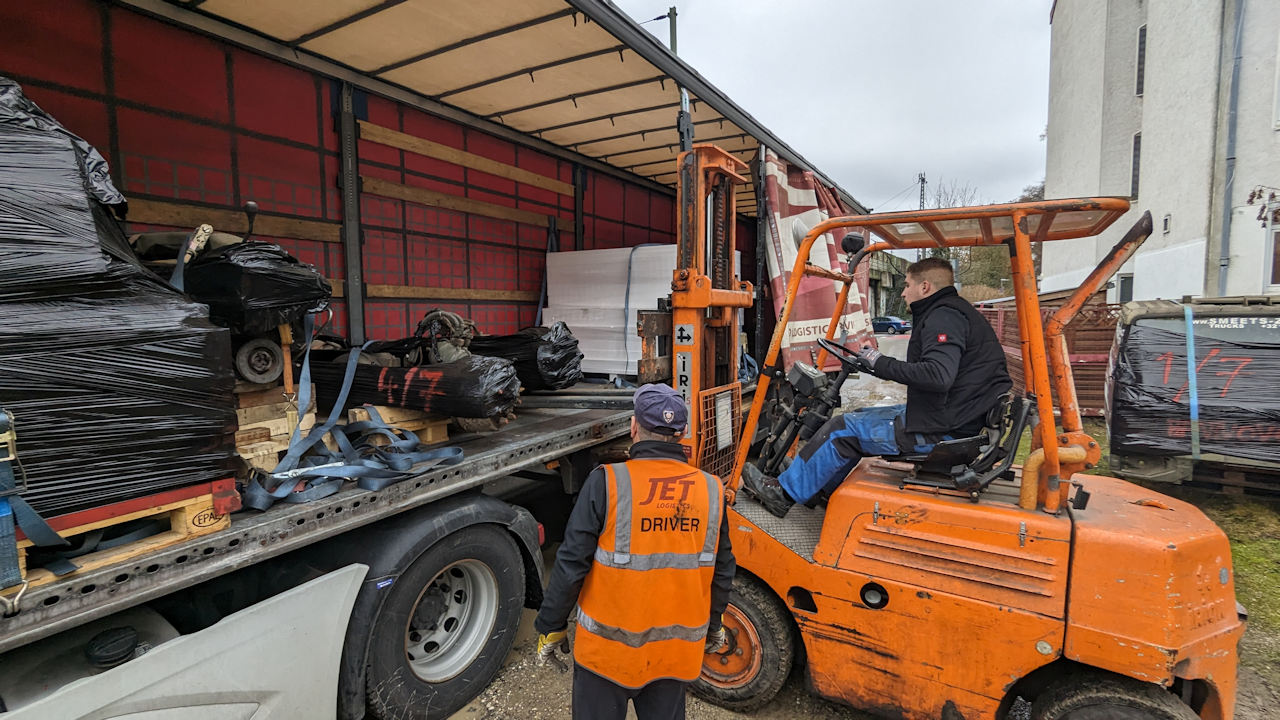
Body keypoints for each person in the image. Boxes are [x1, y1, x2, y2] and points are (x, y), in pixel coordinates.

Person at [742, 256, 1012, 517]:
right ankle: (816, 487)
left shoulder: (944, 317)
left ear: (925, 287)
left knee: (840, 428)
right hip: (950, 419)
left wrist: (880, 362)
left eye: (907, 285)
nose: (904, 293)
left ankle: (783, 495)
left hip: (942, 432)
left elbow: (938, 376)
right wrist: (877, 362)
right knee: (856, 416)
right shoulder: (953, 312)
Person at [534, 383, 736, 720]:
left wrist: (551, 626)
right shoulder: (712, 490)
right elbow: (723, 568)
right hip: (673, 657)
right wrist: (714, 624)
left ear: (632, 427)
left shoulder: (607, 483)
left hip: (605, 658)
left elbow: (571, 564)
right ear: (683, 432)